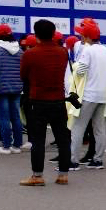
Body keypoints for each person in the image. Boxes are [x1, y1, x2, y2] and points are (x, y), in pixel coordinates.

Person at [19, 20, 71, 186]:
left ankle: (37, 175)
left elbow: (23, 75)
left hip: (38, 101)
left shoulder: (30, 54)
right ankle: (63, 174)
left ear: (36, 34)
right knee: (63, 139)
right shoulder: (63, 52)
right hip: (58, 100)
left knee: (38, 140)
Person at [69, 21, 106, 170]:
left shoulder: (88, 50)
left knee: (78, 127)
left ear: (87, 37)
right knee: (99, 129)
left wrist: (75, 66)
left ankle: (73, 161)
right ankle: (98, 160)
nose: (80, 35)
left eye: (81, 33)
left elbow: (80, 71)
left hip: (89, 94)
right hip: (102, 94)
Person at [0, 25, 25, 155]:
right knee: (15, 116)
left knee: (3, 117)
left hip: (0, 87)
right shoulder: (20, 51)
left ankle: (6, 146)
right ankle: (17, 145)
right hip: (16, 88)